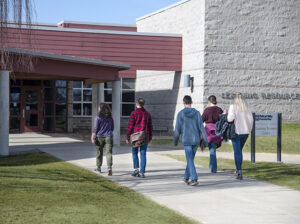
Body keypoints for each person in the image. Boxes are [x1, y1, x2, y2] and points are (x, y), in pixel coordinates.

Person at [174, 95, 208, 186]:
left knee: (189, 159)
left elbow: (177, 128)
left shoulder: (180, 113)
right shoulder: (197, 113)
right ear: (191, 102)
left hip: (186, 139)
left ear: (183, 102)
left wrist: (175, 140)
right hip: (195, 139)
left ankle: (194, 178)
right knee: (190, 159)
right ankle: (186, 177)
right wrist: (205, 140)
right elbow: (202, 127)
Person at [227, 93, 253, 180]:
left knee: (237, 152)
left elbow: (230, 118)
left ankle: (239, 171)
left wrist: (227, 114)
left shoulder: (233, 106)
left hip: (237, 132)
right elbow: (251, 119)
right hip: (245, 132)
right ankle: (238, 169)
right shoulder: (246, 107)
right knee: (239, 151)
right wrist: (249, 129)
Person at [126, 98, 153, 178]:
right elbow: (150, 127)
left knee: (134, 152)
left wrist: (127, 137)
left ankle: (136, 169)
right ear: (144, 104)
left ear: (136, 104)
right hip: (145, 136)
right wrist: (150, 137)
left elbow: (130, 126)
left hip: (135, 137)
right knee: (143, 153)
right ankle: (142, 172)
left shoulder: (133, 113)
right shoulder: (147, 114)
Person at [202, 95, 223, 173]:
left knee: (212, 149)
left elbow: (202, 119)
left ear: (209, 101)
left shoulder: (207, 110)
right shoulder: (219, 109)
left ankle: (213, 168)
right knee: (212, 148)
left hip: (209, 130)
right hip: (217, 130)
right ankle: (211, 166)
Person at [91, 103, 114, 176]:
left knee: (99, 153)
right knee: (109, 153)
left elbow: (95, 129)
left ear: (101, 109)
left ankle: (98, 168)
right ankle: (109, 167)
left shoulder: (97, 118)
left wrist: (92, 137)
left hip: (99, 137)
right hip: (109, 136)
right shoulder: (111, 118)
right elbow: (112, 128)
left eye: (99, 108)